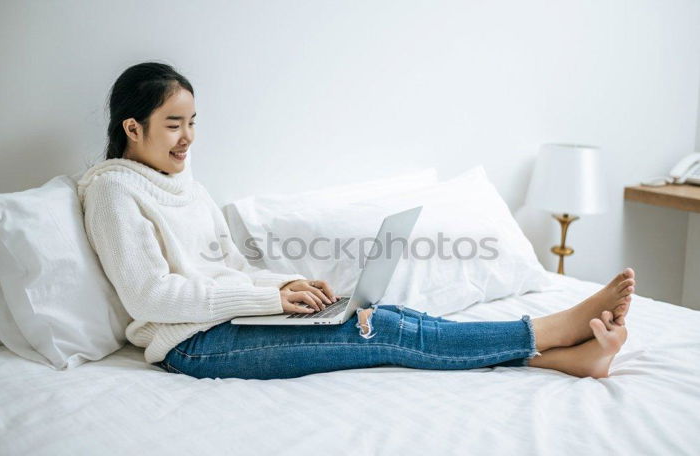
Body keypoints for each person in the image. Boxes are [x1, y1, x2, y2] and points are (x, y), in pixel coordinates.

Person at [78, 62, 634, 381]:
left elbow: (228, 268)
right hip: (193, 346)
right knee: (382, 330)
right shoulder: (112, 192)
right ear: (133, 127)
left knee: (376, 313)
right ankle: (549, 331)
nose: (189, 138)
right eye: (174, 124)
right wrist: (269, 301)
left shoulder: (188, 185)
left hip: (227, 322)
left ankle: (565, 361)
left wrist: (283, 285)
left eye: (193, 122)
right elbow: (152, 297)